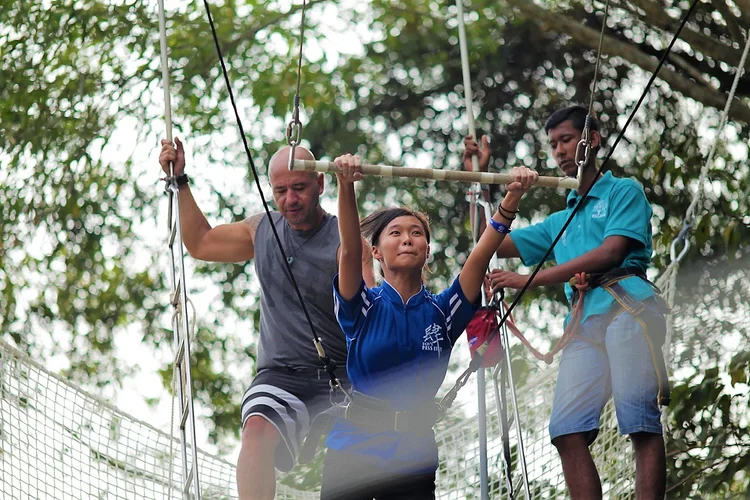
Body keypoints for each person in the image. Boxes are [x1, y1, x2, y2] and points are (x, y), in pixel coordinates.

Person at [463, 104, 668, 499]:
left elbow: (611, 253)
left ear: (591, 140)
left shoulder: (623, 191)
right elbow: (490, 241)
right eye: (553, 144)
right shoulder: (561, 221)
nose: (558, 151)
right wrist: (479, 182)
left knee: (639, 422)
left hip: (628, 310)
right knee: (566, 430)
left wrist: (528, 279)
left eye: (566, 140)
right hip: (585, 328)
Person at [158, 139, 375, 500]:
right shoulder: (262, 231)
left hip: (343, 376)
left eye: (300, 188)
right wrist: (179, 180)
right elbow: (201, 243)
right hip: (281, 376)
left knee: (359, 467)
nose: (290, 199)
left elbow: (371, 314)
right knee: (256, 430)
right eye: (280, 190)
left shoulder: (347, 242)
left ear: (320, 185)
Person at [318, 152, 537, 499]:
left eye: (416, 233)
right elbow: (348, 251)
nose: (407, 239)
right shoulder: (363, 306)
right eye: (395, 233)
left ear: (427, 249)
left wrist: (512, 196)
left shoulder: (443, 311)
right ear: (376, 252)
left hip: (412, 456)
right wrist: (346, 186)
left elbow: (480, 255)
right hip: (353, 450)